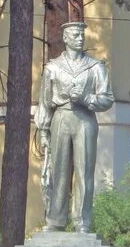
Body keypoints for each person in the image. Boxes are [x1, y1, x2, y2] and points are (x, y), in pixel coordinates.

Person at [35, 21, 114, 233]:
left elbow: (107, 99)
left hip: (85, 120)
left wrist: (87, 98)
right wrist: (43, 132)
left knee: (84, 172)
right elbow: (45, 101)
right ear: (65, 38)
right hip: (60, 118)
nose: (80, 38)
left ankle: (82, 221)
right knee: (58, 172)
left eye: (82, 35)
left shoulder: (96, 67)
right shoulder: (52, 68)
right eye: (75, 34)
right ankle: (56, 220)